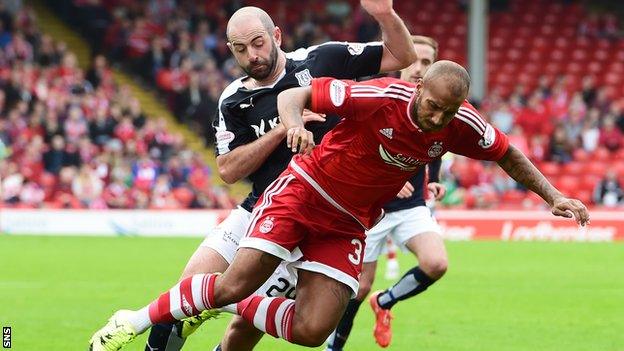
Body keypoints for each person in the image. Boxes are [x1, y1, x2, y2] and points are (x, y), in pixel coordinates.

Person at [88, 61, 590, 350]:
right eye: (430, 104)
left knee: (312, 330)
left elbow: (509, 155)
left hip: (348, 223)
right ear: (417, 88)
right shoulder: (379, 95)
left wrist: (554, 196)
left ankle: (223, 303)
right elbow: (297, 93)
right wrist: (297, 126)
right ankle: (131, 320)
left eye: (445, 111)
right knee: (235, 279)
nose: (434, 117)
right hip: (303, 190)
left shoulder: (462, 125)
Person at [89, 1, 418, 351]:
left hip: (311, 222)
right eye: (241, 49)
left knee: (241, 331)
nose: (253, 55)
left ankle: (220, 305)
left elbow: (401, 55)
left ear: (276, 35)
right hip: (256, 209)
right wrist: (280, 130)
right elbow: (228, 170)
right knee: (185, 293)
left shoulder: (321, 61)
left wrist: (383, 14)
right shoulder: (233, 99)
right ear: (231, 50)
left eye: (258, 43)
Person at [326, 35, 447, 350]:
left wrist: (432, 178)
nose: (419, 68)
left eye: (427, 63)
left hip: (410, 207)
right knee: (358, 288)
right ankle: (333, 347)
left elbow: (437, 147)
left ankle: (387, 301)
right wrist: (387, 178)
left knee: (436, 263)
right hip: (369, 211)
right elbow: (347, 145)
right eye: (415, 60)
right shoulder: (379, 96)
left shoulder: (437, 108)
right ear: (402, 61)